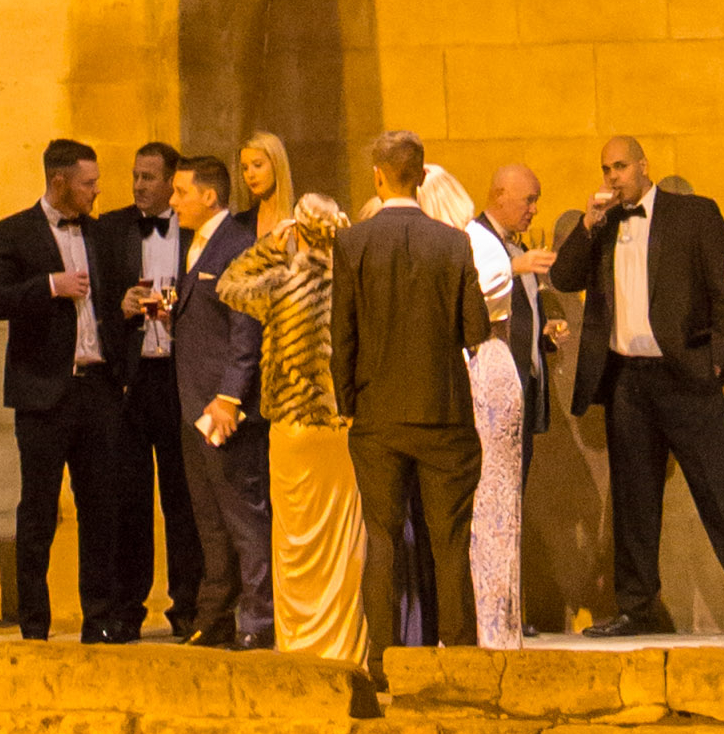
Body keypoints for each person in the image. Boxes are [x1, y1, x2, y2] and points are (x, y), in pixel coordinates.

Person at [547, 129, 724, 637]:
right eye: (606, 169)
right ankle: (637, 605)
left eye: (621, 167)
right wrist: (587, 225)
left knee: (721, 489)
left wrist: (720, 361)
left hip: (687, 373)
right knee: (633, 497)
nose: (613, 178)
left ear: (644, 167)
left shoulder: (693, 214)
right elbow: (563, 278)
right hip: (628, 378)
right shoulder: (601, 226)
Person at [332, 131, 490, 653]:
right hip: (443, 412)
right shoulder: (453, 241)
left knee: (381, 540)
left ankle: (381, 660)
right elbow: (476, 330)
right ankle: (459, 655)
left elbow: (343, 336)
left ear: (377, 177)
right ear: (421, 177)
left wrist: (349, 405)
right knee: (450, 542)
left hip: (377, 416)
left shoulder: (352, 242)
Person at [0, 139, 127, 642]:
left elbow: (107, 299)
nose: (96, 190)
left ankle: (99, 621)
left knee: (101, 509)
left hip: (98, 389)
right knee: (38, 512)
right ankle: (34, 627)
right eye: (88, 183)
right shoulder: (12, 232)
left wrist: (126, 304)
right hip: (42, 394)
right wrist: (49, 286)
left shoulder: (101, 233)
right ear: (59, 181)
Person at [237, 176, 364, 667]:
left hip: (291, 424)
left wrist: (270, 245)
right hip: (337, 423)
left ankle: (299, 645)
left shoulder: (282, 279)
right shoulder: (352, 278)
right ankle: (344, 644)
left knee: (293, 539)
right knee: (341, 541)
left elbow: (231, 286)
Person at [164, 152, 272, 649]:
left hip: (222, 412)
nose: (172, 201)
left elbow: (245, 329)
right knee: (208, 519)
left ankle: (257, 620)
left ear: (209, 196)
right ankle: (216, 616)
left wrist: (229, 397)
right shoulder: (193, 245)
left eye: (180, 192)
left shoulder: (236, 244)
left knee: (243, 517)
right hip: (192, 406)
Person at [419, 161, 527, 652]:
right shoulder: (453, 245)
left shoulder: (476, 246)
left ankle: (493, 628)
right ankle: (469, 624)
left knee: (491, 510)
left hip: (483, 371)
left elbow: (471, 317)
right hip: (465, 372)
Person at [105, 138, 198, 641]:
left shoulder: (194, 227)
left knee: (184, 500)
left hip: (181, 377)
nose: (139, 186)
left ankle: (190, 608)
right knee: (129, 501)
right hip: (131, 379)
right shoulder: (112, 228)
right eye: (135, 176)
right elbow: (96, 300)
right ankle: (126, 611)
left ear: (171, 183)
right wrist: (120, 306)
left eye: (149, 178)